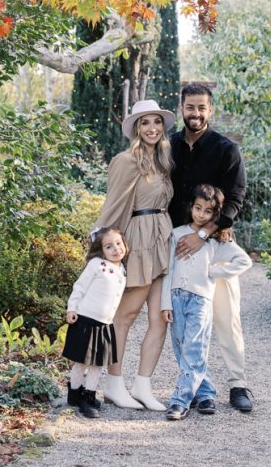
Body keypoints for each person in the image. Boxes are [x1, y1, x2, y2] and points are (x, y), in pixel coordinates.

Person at [168, 83, 255, 412]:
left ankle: (238, 384)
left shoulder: (226, 149)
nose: (196, 113)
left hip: (215, 242)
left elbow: (235, 200)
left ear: (210, 110)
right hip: (178, 245)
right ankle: (198, 387)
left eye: (202, 108)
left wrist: (205, 233)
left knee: (226, 316)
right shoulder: (169, 146)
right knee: (183, 323)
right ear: (181, 108)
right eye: (191, 107)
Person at [92, 99, 176, 411]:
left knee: (160, 319)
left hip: (162, 238)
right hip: (138, 240)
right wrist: (105, 249)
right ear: (136, 129)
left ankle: (143, 385)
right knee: (124, 315)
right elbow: (113, 205)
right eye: (145, 122)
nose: (152, 128)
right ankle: (114, 383)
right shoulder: (126, 160)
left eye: (157, 122)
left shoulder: (163, 161)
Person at [161, 184, 252, 420]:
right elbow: (168, 271)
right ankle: (205, 392)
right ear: (191, 207)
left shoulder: (215, 241)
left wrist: (214, 272)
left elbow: (244, 261)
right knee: (182, 347)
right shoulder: (177, 233)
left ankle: (180, 400)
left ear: (215, 215)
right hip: (176, 298)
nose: (202, 215)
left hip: (200, 299)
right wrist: (165, 303)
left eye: (208, 211)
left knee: (194, 347)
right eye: (198, 208)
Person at [62, 227, 129, 418]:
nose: (116, 249)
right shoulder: (96, 264)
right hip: (85, 320)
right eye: (109, 247)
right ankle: (74, 394)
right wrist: (72, 308)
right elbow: (80, 287)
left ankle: (89, 396)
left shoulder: (122, 269)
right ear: (101, 251)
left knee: (97, 365)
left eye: (118, 243)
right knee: (81, 363)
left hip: (104, 325)